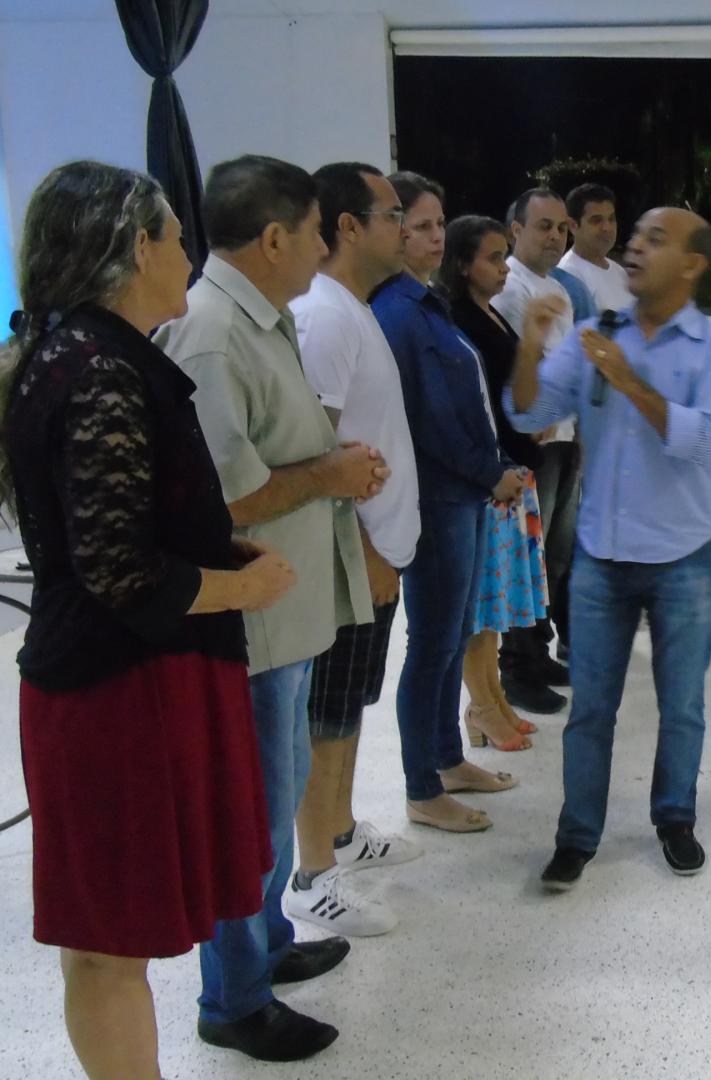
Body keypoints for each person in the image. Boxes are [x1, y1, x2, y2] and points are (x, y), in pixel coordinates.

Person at [0, 160, 294, 1080]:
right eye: (175, 238)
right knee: (105, 946)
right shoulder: (96, 369)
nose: (188, 258)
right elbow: (120, 574)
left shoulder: (89, 354)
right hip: (115, 691)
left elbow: (118, 524)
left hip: (126, 680)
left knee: (108, 939)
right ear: (137, 248)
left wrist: (216, 548)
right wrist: (242, 588)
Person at [155, 154, 385, 1061]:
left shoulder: (263, 318)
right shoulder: (212, 335)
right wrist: (330, 473)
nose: (327, 248)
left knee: (275, 792)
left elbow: (277, 448)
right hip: (251, 624)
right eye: (320, 232)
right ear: (277, 237)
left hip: (286, 618)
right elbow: (224, 496)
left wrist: (336, 466)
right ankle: (233, 998)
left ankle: (268, 944)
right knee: (248, 813)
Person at [506, 207, 711, 891]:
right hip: (601, 561)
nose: (633, 247)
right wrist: (530, 346)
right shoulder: (594, 335)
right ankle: (577, 836)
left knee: (682, 705)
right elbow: (528, 412)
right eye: (635, 236)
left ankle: (675, 818)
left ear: (692, 264)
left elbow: (704, 441)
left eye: (653, 240)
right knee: (590, 710)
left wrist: (630, 381)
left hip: (683, 560)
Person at [285, 162, 425, 937]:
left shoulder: (353, 308)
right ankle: (312, 876)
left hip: (371, 554)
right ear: (348, 226)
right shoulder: (325, 317)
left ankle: (339, 832)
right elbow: (318, 453)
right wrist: (365, 549)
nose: (405, 228)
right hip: (349, 559)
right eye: (393, 214)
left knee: (348, 707)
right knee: (326, 715)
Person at [373, 172, 523, 834]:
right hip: (438, 499)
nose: (436, 236)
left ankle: (447, 758)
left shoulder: (424, 302)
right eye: (421, 225)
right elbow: (429, 420)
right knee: (433, 643)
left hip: (462, 494)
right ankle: (421, 785)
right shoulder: (400, 312)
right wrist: (490, 472)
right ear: (390, 230)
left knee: (453, 634)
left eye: (440, 224)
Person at [443, 214, 553, 749]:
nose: (504, 268)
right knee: (480, 605)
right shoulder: (458, 319)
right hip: (489, 477)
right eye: (492, 258)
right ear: (463, 265)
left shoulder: (490, 315)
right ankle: (482, 704)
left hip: (511, 469)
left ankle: (493, 699)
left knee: (495, 605)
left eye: (502, 256)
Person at [492, 188, 581, 716]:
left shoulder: (556, 290)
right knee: (527, 558)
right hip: (535, 443)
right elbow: (515, 370)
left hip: (565, 437)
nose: (555, 236)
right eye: (543, 226)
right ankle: (516, 668)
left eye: (561, 227)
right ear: (515, 231)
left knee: (555, 554)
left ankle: (539, 651)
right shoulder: (510, 289)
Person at [558, 182, 634, 311]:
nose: (607, 228)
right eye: (596, 220)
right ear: (573, 225)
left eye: (611, 219)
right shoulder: (568, 276)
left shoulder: (619, 271)